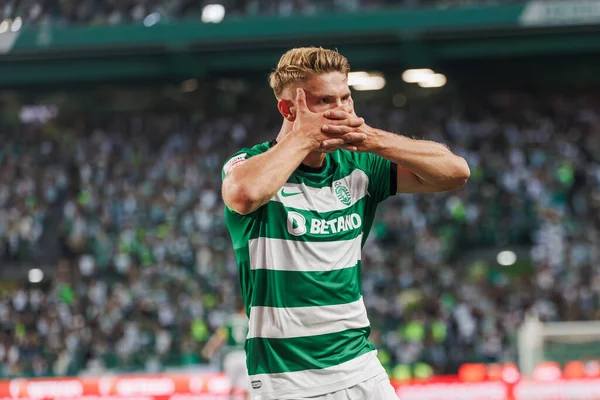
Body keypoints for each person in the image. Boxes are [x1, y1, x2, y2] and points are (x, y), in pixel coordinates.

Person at [221, 47, 470, 400]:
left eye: (346, 97)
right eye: (325, 101)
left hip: (361, 367)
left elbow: (456, 173)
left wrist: (373, 139)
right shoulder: (250, 164)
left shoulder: (360, 166)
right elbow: (244, 194)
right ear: (289, 109)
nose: (341, 110)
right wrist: (304, 137)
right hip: (290, 380)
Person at [203, 299, 250, 400]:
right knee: (247, 388)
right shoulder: (249, 321)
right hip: (245, 355)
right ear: (244, 307)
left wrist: (209, 350)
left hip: (232, 356)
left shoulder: (229, 321)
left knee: (232, 386)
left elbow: (219, 338)